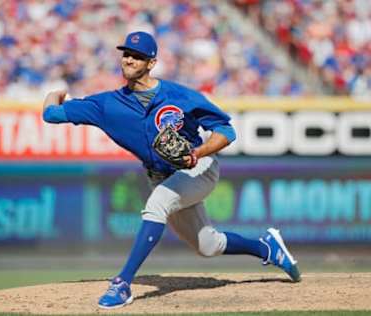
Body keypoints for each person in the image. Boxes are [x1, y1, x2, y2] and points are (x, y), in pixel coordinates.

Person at [42, 31, 301, 309]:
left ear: (151, 63)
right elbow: (51, 114)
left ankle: (122, 283)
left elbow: (226, 131)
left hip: (199, 168)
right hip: (162, 177)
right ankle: (267, 247)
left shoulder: (180, 95)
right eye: (126, 53)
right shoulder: (106, 105)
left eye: (137, 55)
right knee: (208, 245)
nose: (129, 59)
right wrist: (52, 95)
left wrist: (198, 152)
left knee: (157, 205)